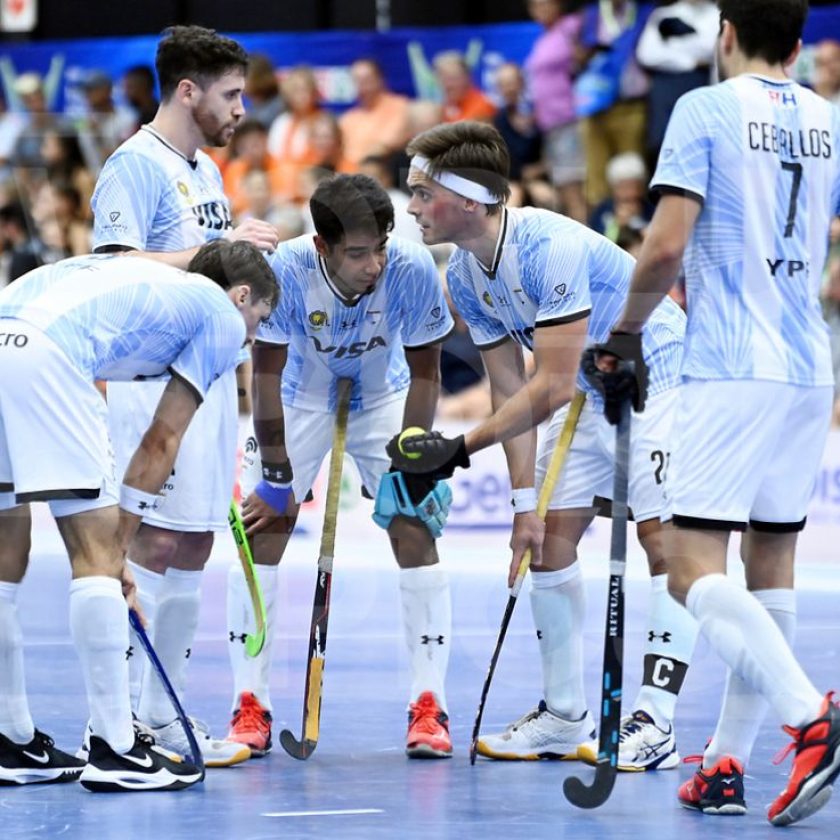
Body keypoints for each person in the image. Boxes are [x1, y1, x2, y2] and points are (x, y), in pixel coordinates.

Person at [588, 0, 840, 825]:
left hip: (732, 364)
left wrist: (623, 336)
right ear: (800, 45)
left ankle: (813, 719)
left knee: (695, 569)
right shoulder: (829, 117)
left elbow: (664, 246)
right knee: (772, 565)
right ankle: (725, 763)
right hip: (809, 367)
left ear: (724, 35)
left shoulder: (704, 108)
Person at [393, 121, 696, 771]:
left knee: (663, 542)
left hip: (659, 374)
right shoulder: (469, 278)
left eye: (422, 194)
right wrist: (523, 505)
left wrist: (458, 448)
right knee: (550, 538)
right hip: (587, 386)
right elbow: (513, 393)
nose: (412, 207)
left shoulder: (548, 246)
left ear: (469, 200)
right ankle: (564, 715)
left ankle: (657, 721)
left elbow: (549, 386)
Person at [0, 240, 276, 791]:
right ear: (242, 295)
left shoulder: (131, 273)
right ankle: (115, 748)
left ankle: (9, 739)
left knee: (5, 551)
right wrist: (118, 549)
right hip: (50, 356)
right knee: (95, 558)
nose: (249, 342)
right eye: (258, 321)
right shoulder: (219, 315)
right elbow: (162, 439)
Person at [89, 25, 279, 766]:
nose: (241, 110)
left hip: (202, 376)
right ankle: (117, 724)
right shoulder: (134, 166)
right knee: (145, 543)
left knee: (196, 541)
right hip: (148, 382)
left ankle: (160, 718)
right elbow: (110, 267)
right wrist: (215, 253)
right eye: (230, 95)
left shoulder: (204, 172)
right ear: (188, 90)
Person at [225, 173, 457, 760]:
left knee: (414, 525)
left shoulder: (410, 267)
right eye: (358, 253)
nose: (375, 264)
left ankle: (429, 703)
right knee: (262, 533)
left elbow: (428, 371)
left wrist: (413, 451)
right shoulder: (287, 271)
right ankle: (248, 701)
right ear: (323, 246)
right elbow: (267, 377)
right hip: (301, 396)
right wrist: (278, 477)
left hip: (385, 397)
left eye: (380, 246)